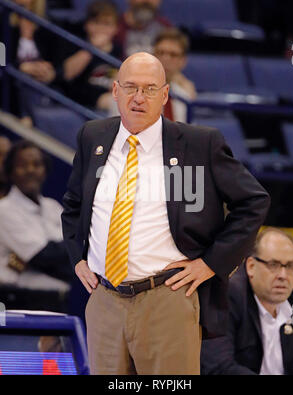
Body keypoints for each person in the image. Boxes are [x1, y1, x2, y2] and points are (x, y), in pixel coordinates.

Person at [61, 52, 270, 375]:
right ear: (115, 91)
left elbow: (253, 201)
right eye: (130, 87)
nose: (139, 98)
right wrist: (77, 258)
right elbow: (74, 204)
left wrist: (212, 263)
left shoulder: (200, 144)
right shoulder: (93, 137)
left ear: (165, 95)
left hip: (167, 298)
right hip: (103, 299)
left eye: (149, 89)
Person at [201, 227, 293, 375]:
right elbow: (218, 367)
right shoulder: (224, 298)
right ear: (251, 266)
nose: (283, 275)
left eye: (290, 266)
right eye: (274, 265)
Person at [0, 140, 72, 295]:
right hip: (19, 299)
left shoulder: (52, 206)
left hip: (59, 298)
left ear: (45, 170)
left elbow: (81, 251)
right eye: (22, 165)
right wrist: (72, 246)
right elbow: (42, 256)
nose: (30, 170)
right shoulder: (4, 209)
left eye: (37, 164)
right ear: (10, 171)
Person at [63, 0, 121, 112]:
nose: (101, 28)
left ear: (116, 29)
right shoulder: (76, 45)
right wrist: (92, 48)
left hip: (109, 96)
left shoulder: (118, 50)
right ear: (86, 25)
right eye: (96, 22)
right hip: (82, 100)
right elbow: (67, 74)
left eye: (107, 24)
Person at [154, 27, 197, 122]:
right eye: (161, 53)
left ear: (183, 61)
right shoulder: (138, 92)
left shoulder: (185, 96)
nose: (165, 59)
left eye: (173, 55)